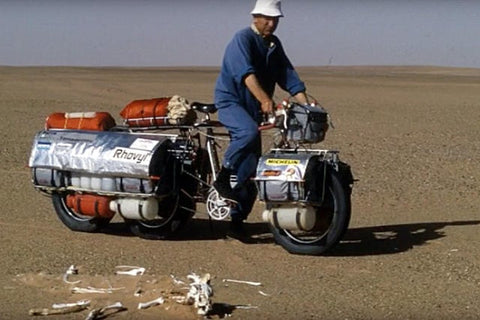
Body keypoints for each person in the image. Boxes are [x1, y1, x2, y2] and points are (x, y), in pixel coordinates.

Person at [213, 0, 309, 236]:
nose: (271, 23)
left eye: (275, 19)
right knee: (246, 132)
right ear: (255, 16)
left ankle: (237, 223)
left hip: (253, 107)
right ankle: (223, 176)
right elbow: (246, 74)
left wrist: (307, 104)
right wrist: (265, 100)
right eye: (267, 18)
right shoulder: (242, 39)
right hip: (232, 101)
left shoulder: (274, 45)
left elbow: (289, 77)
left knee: (251, 166)